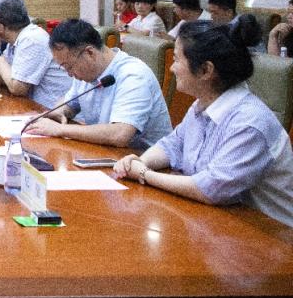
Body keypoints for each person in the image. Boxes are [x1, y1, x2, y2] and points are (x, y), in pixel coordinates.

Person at [113, 21, 293, 228]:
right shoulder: (203, 104)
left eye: (176, 60)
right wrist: (139, 162)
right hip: (218, 221)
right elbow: (172, 145)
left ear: (206, 70)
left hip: (269, 234)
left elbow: (210, 188)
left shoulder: (249, 122)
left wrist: (145, 174)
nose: (171, 68)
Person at [24, 19, 172, 150]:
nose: (69, 74)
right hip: (106, 153)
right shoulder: (86, 72)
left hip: (143, 161)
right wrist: (59, 112)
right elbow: (70, 103)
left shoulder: (133, 75)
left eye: (69, 67)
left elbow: (120, 134)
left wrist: (59, 129)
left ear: (90, 53)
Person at [0, 0, 71, 109]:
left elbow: (17, 88)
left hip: (54, 112)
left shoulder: (32, 39)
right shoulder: (15, 41)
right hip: (33, 108)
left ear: (0, 25)